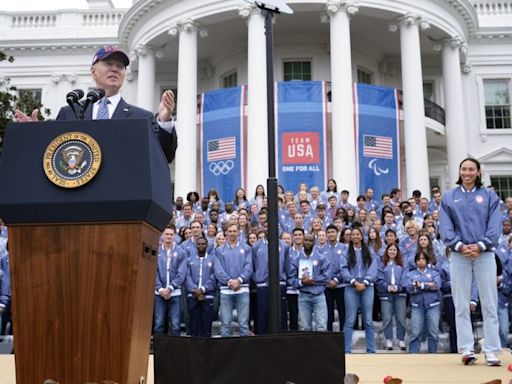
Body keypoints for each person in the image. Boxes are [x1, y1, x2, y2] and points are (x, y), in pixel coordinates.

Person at [15, 46, 177, 163]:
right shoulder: (70, 112)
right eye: (108, 64)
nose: (115, 69)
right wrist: (34, 134)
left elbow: (164, 156)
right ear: (93, 72)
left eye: (120, 66)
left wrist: (164, 121)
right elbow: (55, 154)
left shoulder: (141, 117)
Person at [440, 157, 502, 366]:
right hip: (459, 255)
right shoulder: (449, 197)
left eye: (471, 169)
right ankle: (466, 349)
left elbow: (494, 226)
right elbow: (446, 227)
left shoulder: (489, 196)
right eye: (463, 169)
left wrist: (481, 245)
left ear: (478, 172)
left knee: (489, 303)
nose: (467, 173)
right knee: (461, 303)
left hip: (484, 255)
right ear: (459, 172)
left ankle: (492, 350)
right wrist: (459, 246)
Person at [341, 227, 378, 353]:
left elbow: (373, 268)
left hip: (367, 287)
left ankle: (371, 350)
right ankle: (346, 350)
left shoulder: (370, 251)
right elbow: (343, 269)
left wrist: (366, 282)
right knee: (350, 319)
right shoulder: (346, 252)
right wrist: (354, 281)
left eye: (358, 234)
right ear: (350, 237)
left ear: (362, 236)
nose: (355, 236)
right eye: (353, 234)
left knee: (368, 320)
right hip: (351, 287)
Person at [214, 224, 253, 337]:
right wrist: (229, 281)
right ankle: (226, 352)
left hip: (243, 289)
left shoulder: (246, 248)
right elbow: (218, 270)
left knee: (243, 324)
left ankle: (244, 352)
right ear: (226, 233)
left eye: (234, 231)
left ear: (238, 232)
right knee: (225, 324)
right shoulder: (219, 250)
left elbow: (248, 267)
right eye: (229, 231)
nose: (232, 233)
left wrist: (239, 280)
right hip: (226, 290)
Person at [289, 233, 330, 332]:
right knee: (305, 327)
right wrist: (302, 283)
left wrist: (312, 280)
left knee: (321, 326)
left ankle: (321, 347)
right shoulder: (296, 259)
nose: (308, 242)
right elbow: (291, 278)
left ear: (314, 242)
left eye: (310, 240)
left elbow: (327, 276)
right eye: (306, 240)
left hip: (319, 295)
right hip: (303, 296)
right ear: (303, 241)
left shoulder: (321, 258)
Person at [154, 226, 187, 336]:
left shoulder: (181, 252)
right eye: (166, 234)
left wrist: (170, 288)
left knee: (176, 324)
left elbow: (181, 274)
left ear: (175, 236)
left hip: (175, 293)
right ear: (162, 235)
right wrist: (160, 288)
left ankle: (175, 351)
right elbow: (154, 271)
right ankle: (159, 351)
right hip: (159, 293)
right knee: (159, 323)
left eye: (171, 234)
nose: (168, 236)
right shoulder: (156, 250)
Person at [406, 251, 442, 353]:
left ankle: (433, 355)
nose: (421, 261)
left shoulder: (434, 273)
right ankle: (413, 355)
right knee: (415, 332)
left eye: (423, 259)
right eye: (419, 259)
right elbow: (409, 288)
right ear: (416, 261)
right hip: (417, 306)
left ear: (426, 260)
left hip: (433, 305)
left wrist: (420, 285)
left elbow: (436, 286)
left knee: (433, 332)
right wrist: (428, 285)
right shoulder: (411, 274)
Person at [376, 244, 407, 351]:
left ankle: (401, 339)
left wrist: (398, 287)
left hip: (400, 294)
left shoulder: (402, 264)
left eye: (394, 250)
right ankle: (388, 339)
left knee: (401, 318)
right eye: (390, 250)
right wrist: (388, 287)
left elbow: (405, 278)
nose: (392, 252)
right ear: (387, 251)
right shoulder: (382, 264)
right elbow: (379, 279)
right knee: (387, 317)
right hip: (386, 294)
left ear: (398, 252)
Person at [185, 236, 216, 337]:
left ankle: (206, 350)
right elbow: (187, 276)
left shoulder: (213, 260)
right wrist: (195, 290)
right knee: (193, 326)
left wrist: (203, 289)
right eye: (199, 244)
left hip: (207, 296)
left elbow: (214, 277)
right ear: (195, 245)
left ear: (207, 245)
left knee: (206, 326)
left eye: (203, 244)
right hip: (192, 296)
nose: (201, 245)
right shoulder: (189, 260)